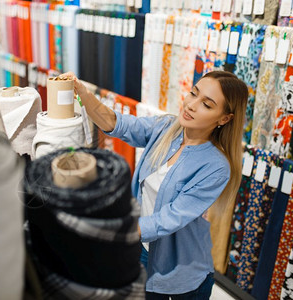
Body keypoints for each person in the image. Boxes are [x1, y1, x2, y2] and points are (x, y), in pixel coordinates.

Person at [61, 71, 248, 299]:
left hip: (182, 268)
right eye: (193, 94)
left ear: (224, 119)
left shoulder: (216, 166)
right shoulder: (166, 128)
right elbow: (115, 122)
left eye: (206, 105)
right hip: (141, 248)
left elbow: (171, 218)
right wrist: (81, 92)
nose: (191, 105)